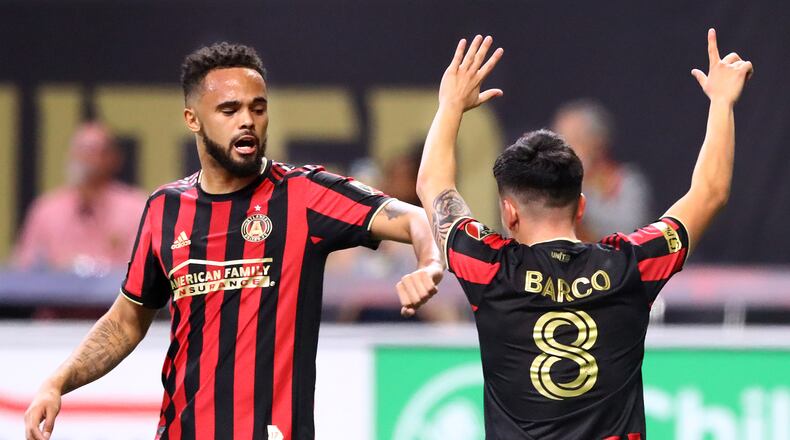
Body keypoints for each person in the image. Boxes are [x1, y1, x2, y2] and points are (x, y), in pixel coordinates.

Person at [25, 43, 443, 440]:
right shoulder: (164, 209)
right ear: (193, 119)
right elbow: (126, 321)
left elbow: (415, 218)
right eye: (229, 109)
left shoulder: (302, 194)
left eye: (257, 108)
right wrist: (58, 382)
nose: (247, 120)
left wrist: (428, 264)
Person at [416, 32, 751, 439]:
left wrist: (450, 105)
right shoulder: (631, 265)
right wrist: (721, 102)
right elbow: (710, 193)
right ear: (581, 206)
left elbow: (432, 184)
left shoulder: (488, 268)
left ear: (508, 213)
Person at [13, 121, 147, 272]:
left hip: (116, 294)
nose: (85, 158)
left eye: (94, 151)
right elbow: (25, 268)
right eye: (80, 150)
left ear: (113, 158)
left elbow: (144, 271)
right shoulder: (47, 210)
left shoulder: (136, 209)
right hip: (56, 294)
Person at [552, 99, 652, 241]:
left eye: (576, 139)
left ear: (597, 141)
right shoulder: (549, 184)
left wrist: (576, 192)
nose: (566, 150)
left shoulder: (625, 181)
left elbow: (630, 229)